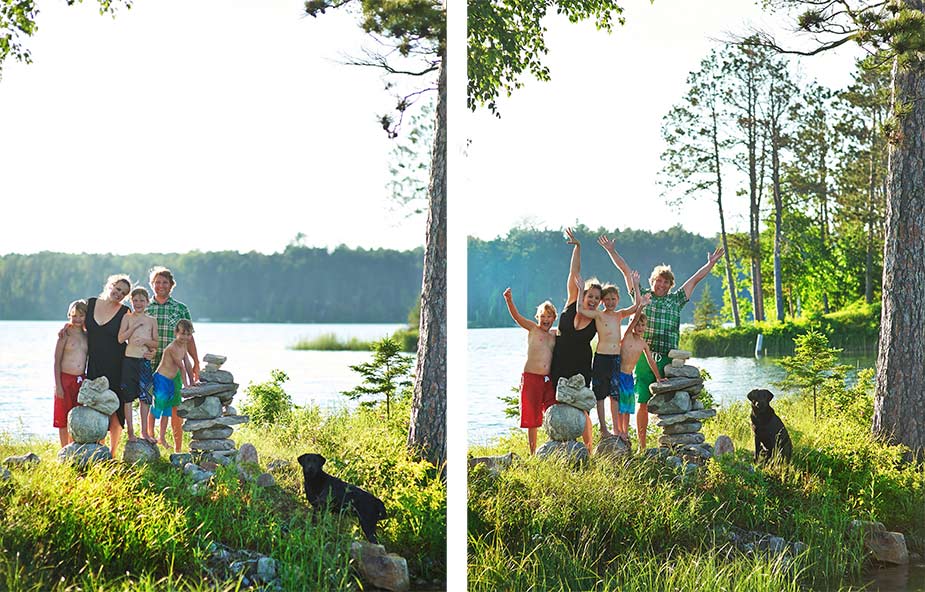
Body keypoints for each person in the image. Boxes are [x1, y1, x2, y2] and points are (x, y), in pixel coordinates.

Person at [598, 234, 723, 449]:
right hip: (644, 355)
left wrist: (710, 264)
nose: (662, 285)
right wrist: (611, 250)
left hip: (669, 358)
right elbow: (626, 271)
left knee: (674, 400)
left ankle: (675, 443)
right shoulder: (642, 297)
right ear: (652, 281)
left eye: (666, 282)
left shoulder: (676, 300)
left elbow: (694, 280)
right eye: (659, 280)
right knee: (643, 401)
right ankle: (643, 446)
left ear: (670, 284)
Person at [575, 273, 646, 440]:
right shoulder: (599, 315)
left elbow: (636, 306)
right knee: (600, 395)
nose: (610, 302)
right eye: (607, 299)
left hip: (615, 359)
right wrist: (580, 290)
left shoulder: (619, 315)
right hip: (601, 358)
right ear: (602, 302)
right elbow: (580, 309)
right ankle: (603, 428)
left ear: (618, 299)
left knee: (615, 396)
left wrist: (635, 284)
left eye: (613, 299)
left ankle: (617, 429)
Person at [549, 228, 598, 452]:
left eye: (597, 299)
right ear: (583, 294)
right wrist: (578, 248)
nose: (593, 301)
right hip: (560, 362)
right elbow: (574, 272)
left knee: (583, 408)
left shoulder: (597, 317)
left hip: (581, 367)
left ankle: (588, 449)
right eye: (590, 296)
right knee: (557, 402)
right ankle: (559, 445)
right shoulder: (571, 301)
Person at [145, 266, 200, 448]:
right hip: (149, 363)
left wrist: (196, 362)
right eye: (157, 282)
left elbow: (189, 338)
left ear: (171, 285)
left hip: (172, 366)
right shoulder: (144, 307)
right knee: (150, 403)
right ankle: (150, 441)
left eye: (165, 282)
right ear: (152, 284)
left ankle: (178, 447)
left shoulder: (180, 309)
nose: (161, 286)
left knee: (175, 405)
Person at [503, 287, 556, 455]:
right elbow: (517, 317)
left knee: (553, 412)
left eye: (549, 316)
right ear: (537, 318)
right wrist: (509, 300)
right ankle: (533, 453)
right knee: (532, 417)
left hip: (547, 380)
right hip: (531, 377)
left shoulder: (555, 335)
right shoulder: (533, 329)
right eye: (542, 316)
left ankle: (553, 446)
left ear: (554, 318)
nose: (545, 319)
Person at [84, 275, 132, 454]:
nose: (119, 294)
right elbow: (77, 323)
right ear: (109, 285)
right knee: (95, 406)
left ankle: (111, 454)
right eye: (117, 289)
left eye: (123, 293)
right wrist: (66, 330)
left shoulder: (125, 311)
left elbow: (133, 334)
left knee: (114, 409)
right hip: (94, 365)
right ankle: (97, 449)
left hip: (117, 365)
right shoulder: (90, 303)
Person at [118, 287, 158, 444]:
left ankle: (145, 432)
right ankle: (130, 432)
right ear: (131, 301)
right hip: (129, 361)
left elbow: (156, 342)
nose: (138, 303)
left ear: (147, 302)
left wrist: (147, 343)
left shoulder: (152, 320)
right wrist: (133, 328)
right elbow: (121, 339)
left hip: (144, 363)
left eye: (142, 300)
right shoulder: (127, 318)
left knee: (145, 398)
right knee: (127, 398)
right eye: (135, 300)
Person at [618, 311, 665, 443]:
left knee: (627, 407)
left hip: (628, 377)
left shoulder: (643, 344)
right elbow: (632, 322)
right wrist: (640, 307)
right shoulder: (626, 336)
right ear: (632, 325)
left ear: (646, 326)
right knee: (620, 406)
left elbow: (651, 361)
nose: (639, 327)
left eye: (643, 325)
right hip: (618, 374)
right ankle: (619, 431)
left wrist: (658, 378)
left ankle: (625, 433)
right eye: (637, 324)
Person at [152, 319, 194, 451]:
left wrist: (192, 382)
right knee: (157, 408)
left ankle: (162, 437)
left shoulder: (184, 345)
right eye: (183, 333)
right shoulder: (172, 348)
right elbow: (181, 367)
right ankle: (148, 433)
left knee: (167, 411)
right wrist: (186, 385)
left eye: (188, 334)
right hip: (161, 379)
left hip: (170, 381)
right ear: (176, 332)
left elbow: (187, 363)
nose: (185, 337)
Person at [53, 300, 88, 447]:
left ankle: (74, 446)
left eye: (81, 315)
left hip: (80, 380)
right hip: (65, 380)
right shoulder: (64, 335)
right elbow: (56, 362)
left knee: (77, 416)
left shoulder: (87, 336)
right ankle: (64, 449)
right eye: (74, 316)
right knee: (63, 417)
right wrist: (58, 386)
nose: (77, 319)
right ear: (69, 315)